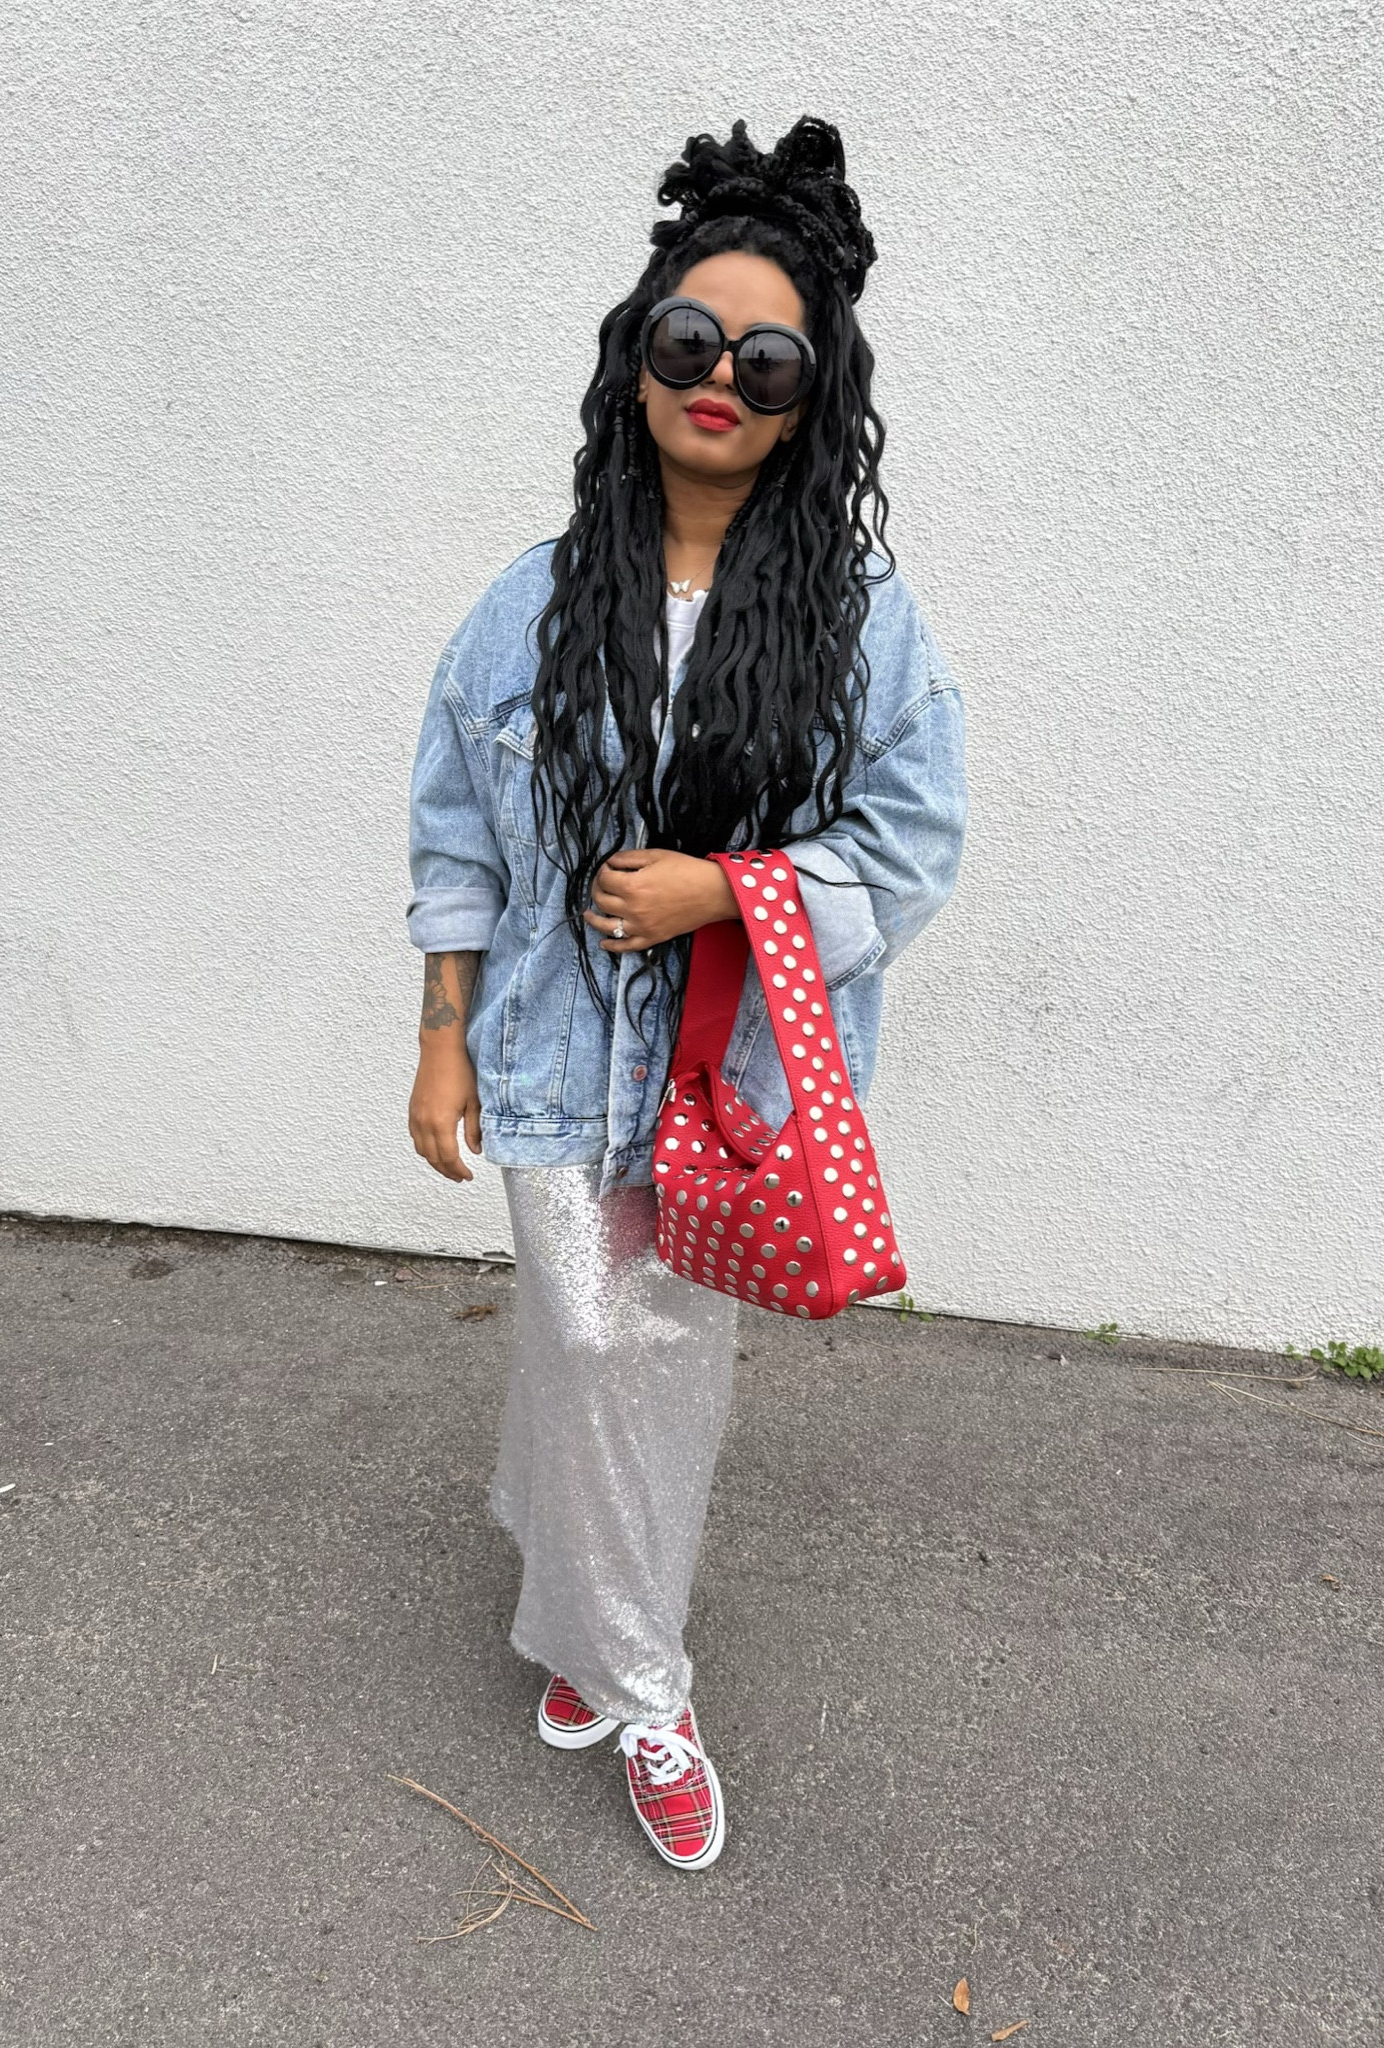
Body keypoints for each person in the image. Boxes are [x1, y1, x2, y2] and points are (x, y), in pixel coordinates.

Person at [405, 115, 968, 1872]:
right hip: (557, 1062)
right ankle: (643, 1675)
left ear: (813, 397)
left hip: (730, 1082)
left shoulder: (863, 625)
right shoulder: (521, 608)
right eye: (688, 341)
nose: (720, 376)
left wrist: (728, 883)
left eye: (767, 358)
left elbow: (912, 842)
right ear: (634, 358)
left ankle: (591, 1624)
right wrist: (437, 1041)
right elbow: (455, 840)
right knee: (591, 1340)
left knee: (655, 1360)